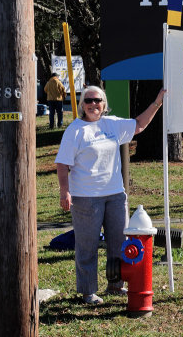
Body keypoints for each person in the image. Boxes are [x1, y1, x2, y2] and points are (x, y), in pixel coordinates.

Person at [55, 85, 166, 305]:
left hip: (115, 195)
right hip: (85, 198)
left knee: (119, 242)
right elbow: (62, 164)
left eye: (97, 100)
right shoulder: (75, 130)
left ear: (104, 104)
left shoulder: (112, 124)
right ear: (82, 105)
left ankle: (116, 284)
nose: (93, 104)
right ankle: (88, 292)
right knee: (87, 246)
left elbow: (140, 124)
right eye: (88, 101)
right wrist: (64, 191)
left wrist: (158, 102)